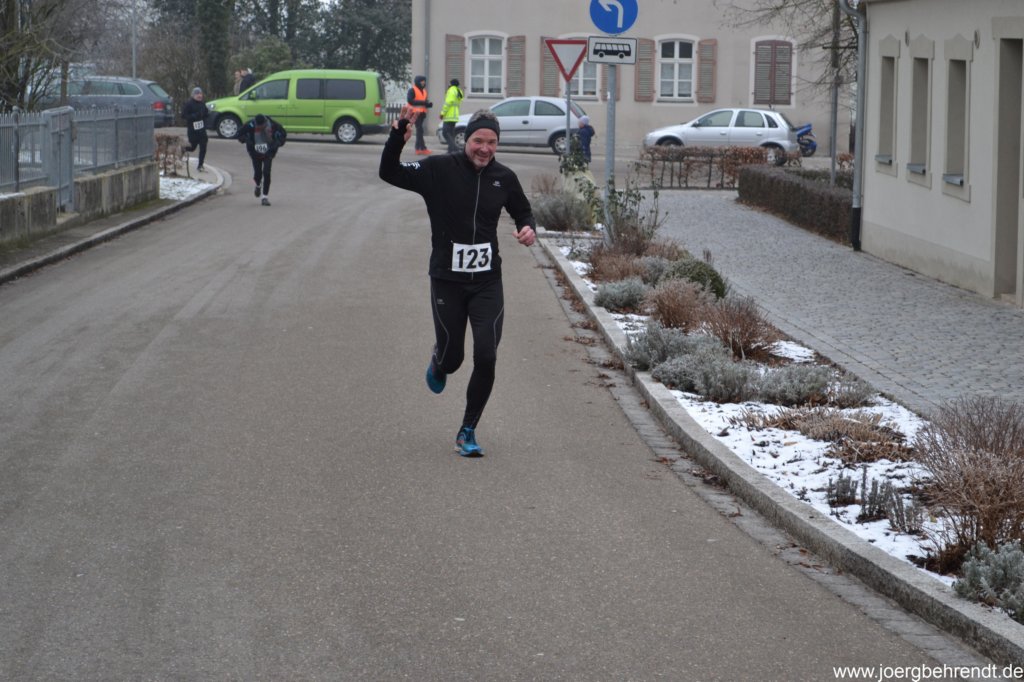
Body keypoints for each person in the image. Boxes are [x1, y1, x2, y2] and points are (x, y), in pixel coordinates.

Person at [378, 106, 536, 458]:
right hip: (447, 280)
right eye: (479, 140)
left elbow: (523, 211)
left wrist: (528, 228)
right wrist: (397, 138)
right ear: (466, 139)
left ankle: (467, 430)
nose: (485, 148)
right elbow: (389, 172)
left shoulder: (504, 178)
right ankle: (439, 360)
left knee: (487, 355)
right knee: (453, 359)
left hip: (487, 282)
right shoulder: (438, 169)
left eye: (492, 142)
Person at [237, 113, 286, 206]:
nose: (259, 127)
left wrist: (277, 144)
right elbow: (239, 134)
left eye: (261, 125)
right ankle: (258, 185)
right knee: (258, 173)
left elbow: (283, 134)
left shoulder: (273, 124)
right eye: (258, 125)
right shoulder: (250, 124)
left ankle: (265, 197)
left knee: (267, 172)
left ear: (265, 122)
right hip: (255, 152)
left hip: (269, 152)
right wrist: (246, 140)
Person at [181, 87, 209, 171]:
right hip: (193, 131)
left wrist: (207, 115)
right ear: (193, 95)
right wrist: (194, 116)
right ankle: (182, 149)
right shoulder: (189, 104)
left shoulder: (202, 104)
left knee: (203, 148)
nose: (199, 96)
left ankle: (200, 165)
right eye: (197, 94)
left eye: (200, 94)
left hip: (202, 131)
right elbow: (183, 115)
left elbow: (206, 114)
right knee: (192, 148)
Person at [406, 75, 432, 155]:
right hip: (414, 113)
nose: (424, 82)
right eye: (422, 81)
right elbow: (410, 101)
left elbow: (424, 101)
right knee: (419, 130)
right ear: (418, 82)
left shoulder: (424, 91)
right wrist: (423, 102)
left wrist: (428, 104)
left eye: (424, 81)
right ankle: (421, 148)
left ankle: (420, 148)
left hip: (422, 113)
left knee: (420, 131)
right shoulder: (412, 90)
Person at [439, 78, 464, 153]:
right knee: (451, 133)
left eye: (449, 83)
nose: (448, 84)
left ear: (451, 83)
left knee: (445, 132)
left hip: (449, 115)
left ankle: (454, 149)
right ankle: (450, 150)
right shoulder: (458, 91)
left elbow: (448, 103)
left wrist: (442, 113)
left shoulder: (451, 90)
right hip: (455, 115)